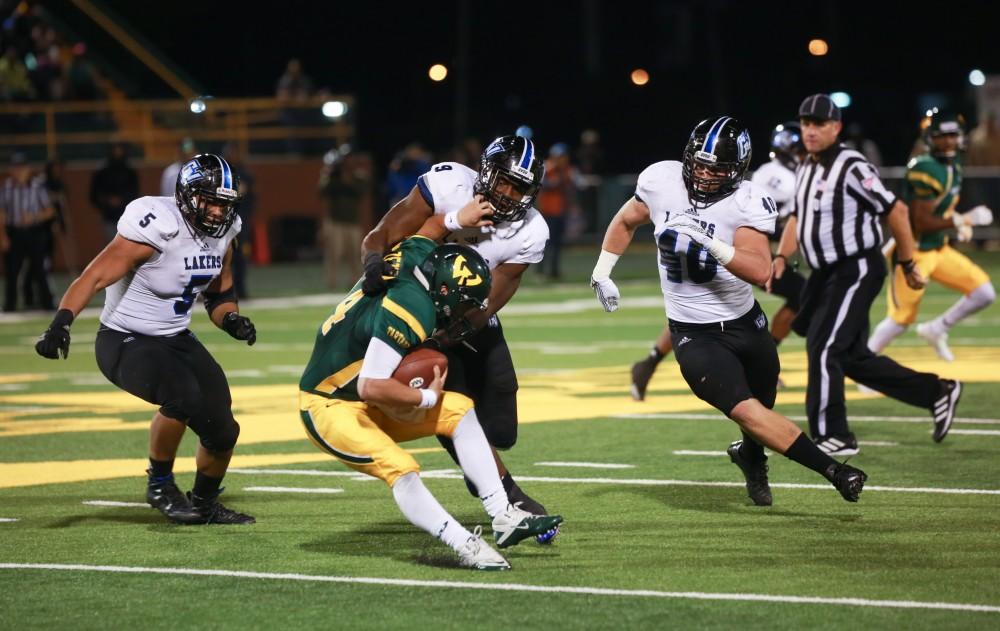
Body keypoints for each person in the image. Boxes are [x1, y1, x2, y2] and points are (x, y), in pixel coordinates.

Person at [591, 116, 869, 506]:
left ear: (736, 171)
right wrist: (602, 270)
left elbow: (760, 269)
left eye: (716, 169)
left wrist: (709, 240)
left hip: (746, 323)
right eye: (700, 165)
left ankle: (750, 458)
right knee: (750, 412)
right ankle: (834, 471)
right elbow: (625, 220)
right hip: (694, 334)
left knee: (762, 412)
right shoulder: (661, 181)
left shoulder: (746, 200)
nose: (704, 175)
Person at [298, 239, 562, 570]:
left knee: (459, 408)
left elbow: (424, 226)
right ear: (446, 292)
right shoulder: (413, 309)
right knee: (401, 467)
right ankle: (465, 544)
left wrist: (456, 215)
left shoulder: (420, 252)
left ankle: (504, 514)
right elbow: (372, 385)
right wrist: (425, 397)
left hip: (361, 395)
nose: (465, 315)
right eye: (464, 306)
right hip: (328, 404)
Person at [35, 154, 257, 525]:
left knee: (222, 427)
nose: (219, 212)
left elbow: (219, 293)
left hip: (175, 337)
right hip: (125, 338)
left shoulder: (226, 232)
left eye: (225, 204)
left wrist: (231, 320)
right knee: (182, 395)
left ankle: (203, 502)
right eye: (211, 201)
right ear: (188, 196)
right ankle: (159, 484)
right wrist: (61, 323)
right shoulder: (157, 224)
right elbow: (93, 276)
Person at [361, 134, 558, 537]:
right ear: (484, 172)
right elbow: (382, 234)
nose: (506, 193)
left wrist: (458, 331)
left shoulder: (531, 230)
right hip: (417, 310)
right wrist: (372, 263)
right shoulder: (449, 185)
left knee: (502, 429)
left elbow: (492, 299)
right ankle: (504, 493)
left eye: (518, 187)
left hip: (467, 316)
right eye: (502, 180)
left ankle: (483, 463)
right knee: (452, 406)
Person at [772, 94, 962, 456]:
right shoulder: (806, 166)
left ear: (836, 127)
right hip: (824, 274)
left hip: (855, 267)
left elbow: (898, 211)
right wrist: (782, 255)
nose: (811, 131)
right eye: (806, 123)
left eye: (819, 124)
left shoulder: (853, 166)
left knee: (825, 346)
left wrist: (907, 264)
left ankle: (834, 434)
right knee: (849, 356)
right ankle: (936, 392)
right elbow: (798, 217)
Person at [629, 122, 809, 401]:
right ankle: (651, 362)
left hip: (755, 251)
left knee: (794, 295)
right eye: (798, 149)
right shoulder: (773, 176)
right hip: (738, 250)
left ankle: (650, 362)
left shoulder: (796, 174)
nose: (803, 154)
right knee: (702, 306)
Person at [868, 109, 995, 361]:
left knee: (984, 293)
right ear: (930, 138)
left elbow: (940, 207)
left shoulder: (953, 164)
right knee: (900, 320)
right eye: (941, 135)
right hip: (913, 252)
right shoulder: (924, 168)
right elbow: (921, 221)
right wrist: (962, 219)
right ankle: (863, 364)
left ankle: (936, 329)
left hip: (939, 249)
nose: (948, 141)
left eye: (952, 135)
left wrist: (957, 223)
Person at [2, 152, 55, 312]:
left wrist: (34, 216)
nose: (19, 171)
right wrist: (3, 236)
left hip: (34, 232)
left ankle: (47, 303)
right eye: (15, 168)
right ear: (11, 170)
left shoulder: (37, 187)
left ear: (28, 169)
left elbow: (50, 211)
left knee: (40, 269)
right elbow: (1, 213)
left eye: (22, 167)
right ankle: (10, 305)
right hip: (14, 232)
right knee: (11, 271)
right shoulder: (6, 188)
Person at [318, 145, 366, 289]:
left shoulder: (359, 176)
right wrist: (328, 174)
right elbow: (322, 192)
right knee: (334, 255)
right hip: (335, 221)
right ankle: (332, 283)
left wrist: (347, 179)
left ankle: (356, 283)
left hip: (353, 221)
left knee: (355, 255)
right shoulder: (333, 177)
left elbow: (361, 192)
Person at [536, 142, 578, 280]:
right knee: (545, 243)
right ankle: (540, 270)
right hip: (547, 211)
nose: (562, 159)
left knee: (557, 243)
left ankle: (554, 271)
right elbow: (546, 184)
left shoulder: (567, 170)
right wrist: (560, 179)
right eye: (560, 156)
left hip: (560, 211)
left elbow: (572, 188)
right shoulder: (548, 168)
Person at [222, 143, 255, 299]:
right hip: (221, 224)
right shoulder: (221, 175)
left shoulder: (244, 175)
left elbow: (241, 194)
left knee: (240, 258)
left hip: (239, 224)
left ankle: (240, 290)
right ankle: (222, 291)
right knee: (222, 259)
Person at [89, 142, 138, 244]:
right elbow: (94, 194)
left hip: (126, 215)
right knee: (112, 244)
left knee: (126, 245)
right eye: (115, 150)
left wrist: (122, 200)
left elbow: (134, 192)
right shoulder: (102, 171)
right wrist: (107, 202)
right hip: (109, 216)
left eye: (120, 150)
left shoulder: (129, 171)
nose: (118, 153)